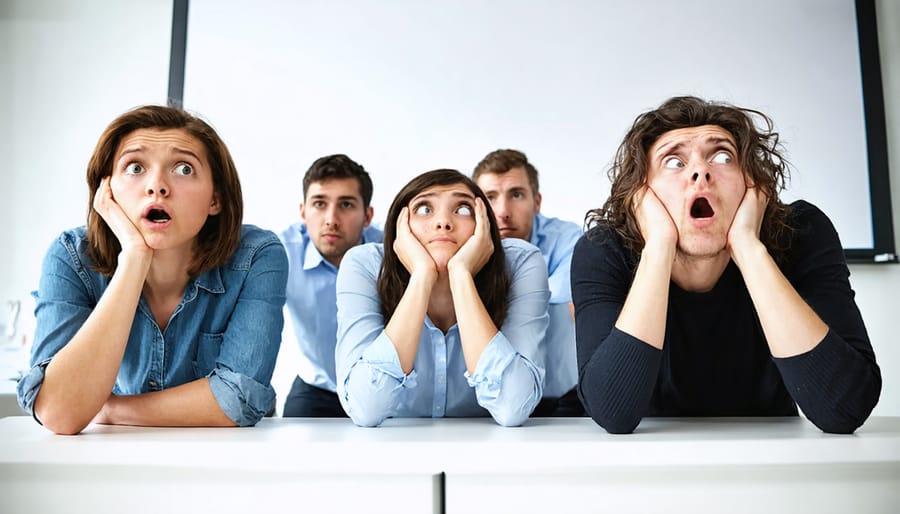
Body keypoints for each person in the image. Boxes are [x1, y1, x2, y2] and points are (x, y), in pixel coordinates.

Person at [572, 96, 882, 434]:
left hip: (777, 460)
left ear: (751, 184)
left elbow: (845, 409)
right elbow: (613, 412)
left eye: (722, 157)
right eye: (673, 162)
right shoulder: (603, 249)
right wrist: (659, 245)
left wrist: (748, 247)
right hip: (651, 463)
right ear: (642, 196)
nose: (700, 172)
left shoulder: (802, 233)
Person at [17, 105, 288, 435]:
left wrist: (110, 409)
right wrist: (133, 257)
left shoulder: (257, 256)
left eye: (184, 169)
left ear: (215, 198)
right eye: (135, 167)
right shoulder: (71, 256)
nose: (157, 186)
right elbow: (59, 413)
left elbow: (238, 399)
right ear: (108, 191)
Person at [335, 169, 549, 427]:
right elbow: (365, 408)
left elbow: (512, 408)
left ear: (484, 224)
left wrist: (460, 274)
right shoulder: (364, 264)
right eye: (425, 209)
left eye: (462, 209)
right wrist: (422, 276)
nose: (443, 223)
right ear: (401, 224)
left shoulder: (521, 262)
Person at [473, 149, 584, 416]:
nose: (502, 212)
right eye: (490, 197)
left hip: (561, 397)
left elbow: (561, 296)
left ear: (537, 202)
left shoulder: (568, 239)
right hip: (483, 396)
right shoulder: (456, 239)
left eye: (516, 195)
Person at [280, 154, 382, 417]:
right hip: (317, 386)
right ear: (303, 212)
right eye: (319, 204)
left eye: (346, 205)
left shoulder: (392, 252)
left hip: (382, 387)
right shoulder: (281, 254)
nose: (331, 219)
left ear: (368, 215)